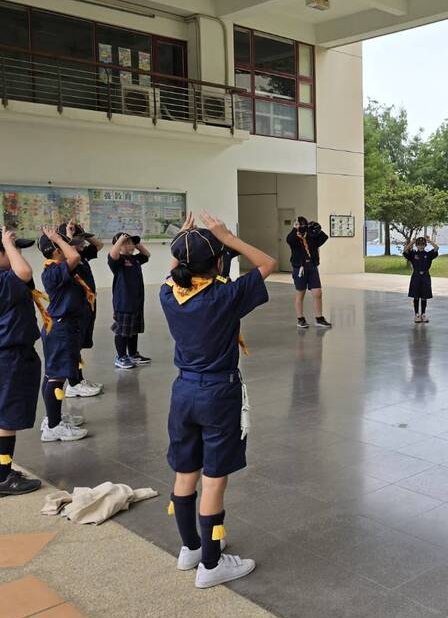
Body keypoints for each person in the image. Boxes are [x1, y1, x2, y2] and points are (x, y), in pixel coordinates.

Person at [161, 211, 276, 589]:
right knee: (213, 481)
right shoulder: (225, 296)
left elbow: (175, 270)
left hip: (183, 393)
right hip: (217, 394)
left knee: (185, 473)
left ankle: (191, 548)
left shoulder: (169, 293)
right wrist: (228, 237)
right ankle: (211, 566)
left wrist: (184, 241)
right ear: (218, 262)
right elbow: (267, 263)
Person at [0, 227, 44, 498]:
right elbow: (25, 272)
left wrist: (8, 246)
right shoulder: (0, 281)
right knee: (6, 422)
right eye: (12, 250)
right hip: (9, 358)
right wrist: (8, 243)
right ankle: (2, 479)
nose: (17, 254)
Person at [38, 226, 90, 442]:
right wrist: (58, 239)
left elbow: (75, 256)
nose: (71, 248)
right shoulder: (53, 271)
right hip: (61, 328)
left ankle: (52, 418)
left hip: (63, 326)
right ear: (56, 250)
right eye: (64, 246)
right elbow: (75, 256)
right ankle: (53, 427)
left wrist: (62, 239)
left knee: (53, 374)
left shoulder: (59, 268)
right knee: (56, 377)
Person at [60, 220, 103, 399]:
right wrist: (69, 238)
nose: (81, 243)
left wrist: (84, 235)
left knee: (79, 346)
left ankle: (79, 379)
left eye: (81, 240)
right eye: (77, 240)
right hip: (76, 308)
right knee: (73, 347)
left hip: (87, 306)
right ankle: (73, 384)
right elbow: (71, 256)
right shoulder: (67, 261)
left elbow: (99, 245)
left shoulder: (82, 255)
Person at [108, 231, 151, 369]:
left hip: (136, 301)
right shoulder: (118, 260)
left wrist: (137, 244)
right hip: (124, 302)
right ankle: (121, 356)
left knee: (133, 330)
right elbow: (112, 255)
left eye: (132, 243)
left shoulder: (135, 259)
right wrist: (120, 241)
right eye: (127, 243)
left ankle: (133, 354)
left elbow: (147, 255)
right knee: (123, 330)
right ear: (118, 245)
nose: (131, 246)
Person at [285, 216, 331, 329]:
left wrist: (315, 229)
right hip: (300, 268)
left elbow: (323, 238)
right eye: (299, 225)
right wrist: (295, 229)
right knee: (300, 293)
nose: (301, 228)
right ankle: (300, 319)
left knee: (318, 293)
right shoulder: (294, 238)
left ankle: (319, 318)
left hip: (312, 267)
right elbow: (289, 240)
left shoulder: (310, 236)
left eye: (303, 225)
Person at [404, 236, 439, 323]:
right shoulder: (413, 254)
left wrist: (429, 240)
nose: (421, 246)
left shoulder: (428, 254)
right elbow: (405, 250)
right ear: (416, 245)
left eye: (422, 244)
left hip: (425, 277)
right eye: (419, 244)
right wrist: (412, 242)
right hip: (416, 277)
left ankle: (423, 314)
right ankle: (416, 315)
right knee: (416, 296)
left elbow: (436, 248)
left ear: (425, 245)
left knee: (424, 296)